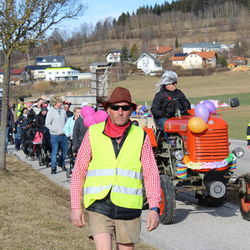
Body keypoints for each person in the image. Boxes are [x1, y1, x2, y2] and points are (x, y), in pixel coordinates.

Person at [70, 87, 161, 250]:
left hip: (128, 207)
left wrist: (154, 207)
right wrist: (76, 207)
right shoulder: (93, 133)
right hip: (99, 203)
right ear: (107, 109)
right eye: (115, 107)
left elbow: (151, 173)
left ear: (132, 110)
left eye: (125, 108)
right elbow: (79, 171)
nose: (120, 112)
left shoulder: (141, 136)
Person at [151, 70, 190, 142]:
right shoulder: (159, 95)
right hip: (165, 118)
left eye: (175, 83)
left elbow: (185, 103)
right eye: (173, 83)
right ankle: (169, 142)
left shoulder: (179, 93)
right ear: (166, 84)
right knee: (165, 123)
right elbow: (154, 110)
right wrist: (165, 113)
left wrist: (185, 109)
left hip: (179, 116)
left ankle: (189, 140)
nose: (175, 85)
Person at [45, 95, 68, 174]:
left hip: (64, 135)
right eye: (59, 102)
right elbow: (47, 124)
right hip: (55, 135)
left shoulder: (63, 110)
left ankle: (61, 163)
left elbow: (66, 121)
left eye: (61, 102)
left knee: (65, 151)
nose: (61, 103)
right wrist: (55, 129)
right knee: (54, 151)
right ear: (55, 103)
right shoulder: (51, 111)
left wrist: (67, 130)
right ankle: (53, 167)